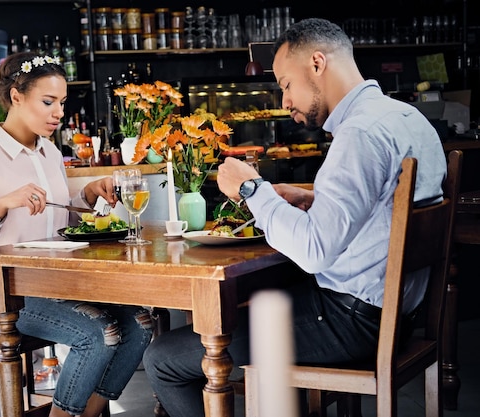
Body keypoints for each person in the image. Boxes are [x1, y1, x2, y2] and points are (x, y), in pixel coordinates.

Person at [142, 18, 447, 417]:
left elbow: (314, 252)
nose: (285, 102)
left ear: (317, 62)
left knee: (164, 358)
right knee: (259, 305)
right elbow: (389, 201)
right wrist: (311, 195)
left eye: (286, 84)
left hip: (351, 322)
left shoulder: (359, 133)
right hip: (398, 315)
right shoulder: (405, 118)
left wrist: (253, 189)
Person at [0, 51, 154, 417]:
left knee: (139, 323)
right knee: (99, 333)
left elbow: (55, 219)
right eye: (48, 102)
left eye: (61, 102)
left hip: (57, 282)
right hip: (2, 290)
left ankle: (87, 413)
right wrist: (0, 206)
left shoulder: (50, 153)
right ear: (15, 96)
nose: (58, 112)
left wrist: (86, 195)